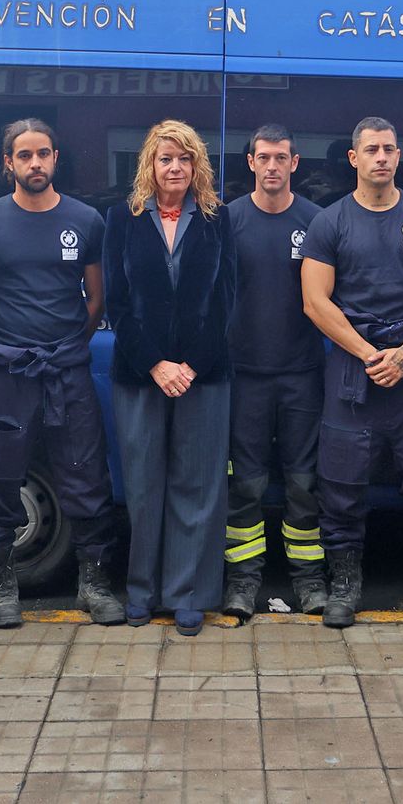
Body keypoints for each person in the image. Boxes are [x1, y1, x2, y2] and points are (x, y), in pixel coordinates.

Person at [0, 119, 125, 628]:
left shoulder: (86, 220)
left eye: (44, 154)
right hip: (9, 369)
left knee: (86, 475)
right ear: (8, 162)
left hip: (67, 369)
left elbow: (95, 300)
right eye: (25, 155)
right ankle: (0, 581)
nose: (36, 163)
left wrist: (66, 346)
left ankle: (94, 583)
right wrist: (17, 341)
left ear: (56, 159)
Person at [300, 116, 403, 630]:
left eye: (390, 148)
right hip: (352, 371)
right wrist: (371, 354)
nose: (383, 158)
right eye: (372, 149)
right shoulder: (330, 222)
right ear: (354, 158)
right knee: (341, 487)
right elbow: (314, 302)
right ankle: (344, 587)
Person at [104, 119, 235, 636]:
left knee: (198, 485)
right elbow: (117, 303)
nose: (175, 167)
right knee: (142, 484)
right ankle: (142, 591)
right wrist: (157, 363)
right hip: (140, 374)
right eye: (165, 158)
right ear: (149, 166)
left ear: (197, 165)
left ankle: (188, 594)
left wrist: (191, 365)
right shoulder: (123, 218)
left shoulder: (217, 220)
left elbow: (228, 301)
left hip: (205, 374)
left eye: (184, 158)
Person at [221, 124, 328, 622]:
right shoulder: (226, 221)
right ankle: (242, 581)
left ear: (294, 163)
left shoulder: (317, 222)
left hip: (303, 373)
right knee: (244, 483)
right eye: (262, 157)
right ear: (250, 162)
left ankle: (309, 581)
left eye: (281, 157)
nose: (271, 166)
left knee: (305, 481)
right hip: (244, 375)